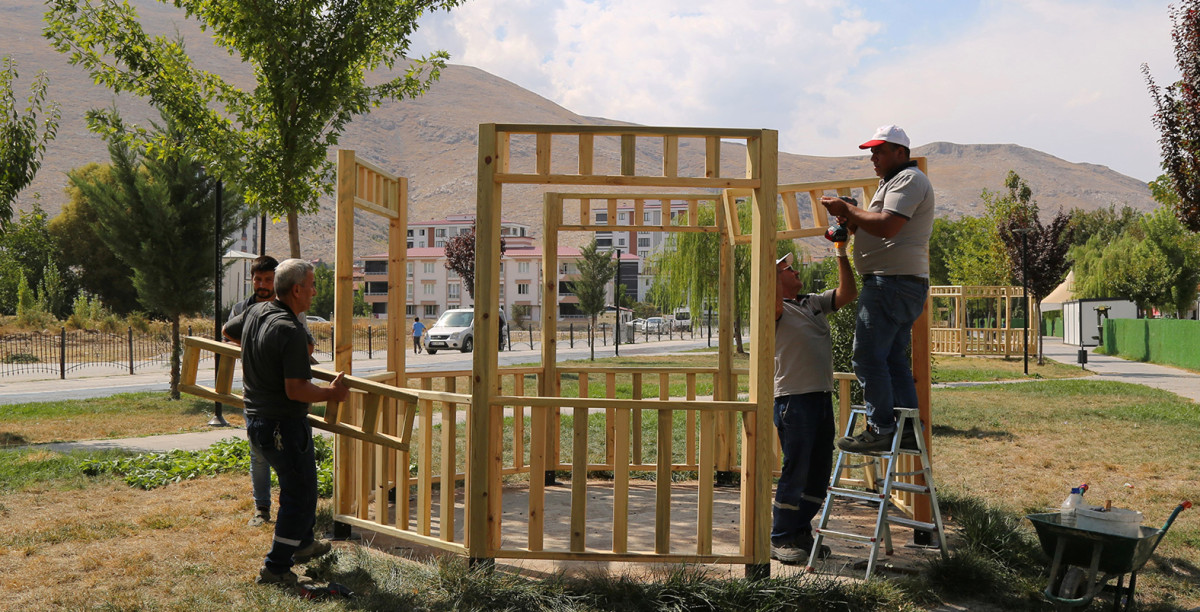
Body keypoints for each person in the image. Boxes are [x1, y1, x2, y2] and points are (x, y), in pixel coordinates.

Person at [223, 258, 349, 587]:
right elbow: (297, 390)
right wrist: (332, 393)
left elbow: (227, 331)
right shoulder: (290, 330)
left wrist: (260, 357)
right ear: (296, 290)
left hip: (258, 421)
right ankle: (276, 567)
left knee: (299, 489)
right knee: (300, 495)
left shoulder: (255, 312)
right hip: (284, 427)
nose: (314, 291)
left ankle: (302, 544)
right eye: (310, 285)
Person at [820, 124, 934, 454]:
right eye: (871, 151)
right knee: (892, 360)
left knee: (868, 359)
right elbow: (879, 226)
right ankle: (909, 430)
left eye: (879, 151)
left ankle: (881, 428)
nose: (873, 157)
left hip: (890, 283)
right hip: (895, 283)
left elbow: (887, 225)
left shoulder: (909, 180)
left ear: (901, 153)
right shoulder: (891, 182)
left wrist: (848, 210)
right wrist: (851, 221)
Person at [770, 248, 857, 564]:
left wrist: (841, 253)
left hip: (820, 397)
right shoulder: (774, 309)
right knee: (796, 470)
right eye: (786, 269)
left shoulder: (813, 302)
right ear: (775, 278)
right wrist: (771, 266)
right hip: (793, 399)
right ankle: (780, 537)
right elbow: (772, 294)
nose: (794, 271)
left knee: (818, 473)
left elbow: (849, 293)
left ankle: (800, 533)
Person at [226, 256, 279, 527]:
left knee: (287, 452)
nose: (262, 285)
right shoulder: (239, 310)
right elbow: (228, 337)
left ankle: (294, 510)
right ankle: (262, 509)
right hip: (254, 392)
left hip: (285, 392)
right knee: (258, 453)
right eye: (258, 279)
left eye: (268, 280)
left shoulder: (288, 307)